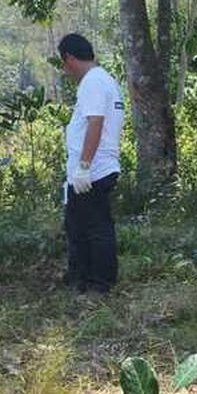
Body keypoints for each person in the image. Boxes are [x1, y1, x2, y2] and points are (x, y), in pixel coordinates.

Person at [58, 33, 125, 293]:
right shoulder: (104, 80)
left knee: (94, 229)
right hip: (95, 168)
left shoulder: (92, 82)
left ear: (70, 58)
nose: (66, 71)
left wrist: (84, 166)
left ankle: (99, 284)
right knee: (78, 226)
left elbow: (95, 123)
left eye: (64, 64)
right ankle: (81, 279)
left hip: (92, 171)